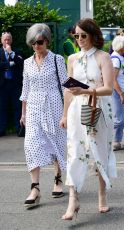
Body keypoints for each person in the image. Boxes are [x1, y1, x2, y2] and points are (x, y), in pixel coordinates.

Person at [60, 18, 117, 220]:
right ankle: (73, 200)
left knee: (100, 151)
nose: (80, 39)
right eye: (77, 35)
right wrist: (65, 114)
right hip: (76, 110)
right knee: (75, 152)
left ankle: (102, 195)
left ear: (93, 35)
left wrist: (85, 90)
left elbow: (108, 88)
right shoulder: (72, 59)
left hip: (99, 108)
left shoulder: (103, 57)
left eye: (84, 35)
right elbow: (68, 90)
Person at [20, 23, 67, 208]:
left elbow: (66, 85)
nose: (36, 46)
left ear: (47, 41)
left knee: (55, 142)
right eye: (33, 43)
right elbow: (25, 89)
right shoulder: (26, 63)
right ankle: (35, 188)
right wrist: (23, 113)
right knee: (30, 144)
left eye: (39, 42)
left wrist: (67, 111)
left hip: (54, 104)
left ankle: (57, 179)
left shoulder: (57, 60)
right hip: (33, 107)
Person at [0, 32, 24, 137]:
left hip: (15, 85)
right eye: (5, 39)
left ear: (11, 41)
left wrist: (11, 53)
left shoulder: (17, 52)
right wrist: (9, 64)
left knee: (17, 107)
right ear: (1, 41)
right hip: (2, 85)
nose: (7, 41)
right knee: (2, 108)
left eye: (8, 39)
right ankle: (1, 129)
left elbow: (21, 62)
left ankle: (19, 129)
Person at [110, 35, 124, 151]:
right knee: (119, 119)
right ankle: (113, 142)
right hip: (116, 93)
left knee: (122, 118)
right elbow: (113, 79)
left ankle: (117, 141)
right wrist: (121, 94)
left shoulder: (118, 57)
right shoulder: (116, 59)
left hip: (118, 92)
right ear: (121, 45)